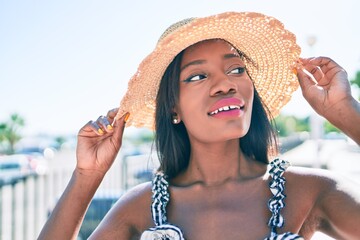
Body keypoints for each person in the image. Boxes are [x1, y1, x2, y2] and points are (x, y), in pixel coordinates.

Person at [38, 12, 360, 240]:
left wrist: (347, 113)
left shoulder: (312, 191)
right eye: (197, 76)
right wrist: (87, 177)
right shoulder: (139, 208)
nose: (225, 84)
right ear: (173, 107)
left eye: (236, 69)